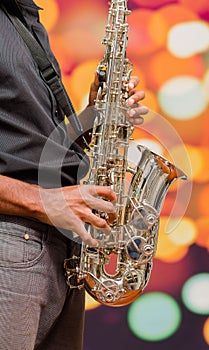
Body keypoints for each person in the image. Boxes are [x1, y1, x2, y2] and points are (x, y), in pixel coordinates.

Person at [0, 0, 148, 349]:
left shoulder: (23, 16)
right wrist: (43, 200)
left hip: (58, 251)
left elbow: (26, 141)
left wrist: (95, 117)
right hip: (12, 241)